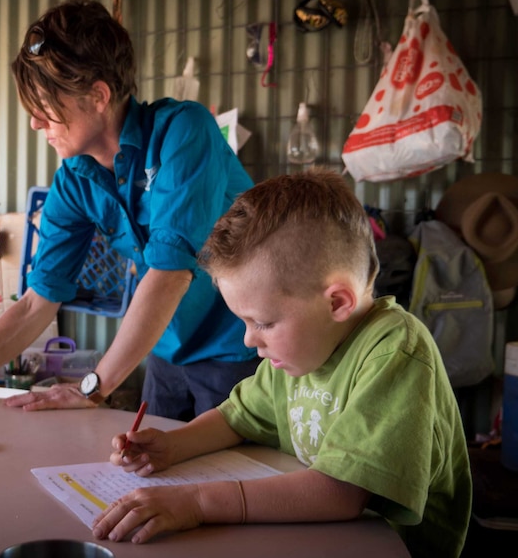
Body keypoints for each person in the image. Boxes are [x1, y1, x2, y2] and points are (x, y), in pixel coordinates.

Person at [0, 0, 259, 420]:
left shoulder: (183, 131)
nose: (33, 122)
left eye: (44, 103)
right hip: (165, 351)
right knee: (156, 473)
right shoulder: (74, 181)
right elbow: (35, 304)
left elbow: (170, 274)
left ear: (98, 95)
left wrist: (92, 387)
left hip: (238, 346)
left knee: (227, 480)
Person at [91, 168, 472, 558]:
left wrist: (198, 502)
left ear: (337, 302)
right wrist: (172, 446)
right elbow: (236, 416)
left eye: (264, 322)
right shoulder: (300, 352)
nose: (248, 339)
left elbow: (341, 493)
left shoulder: (395, 353)